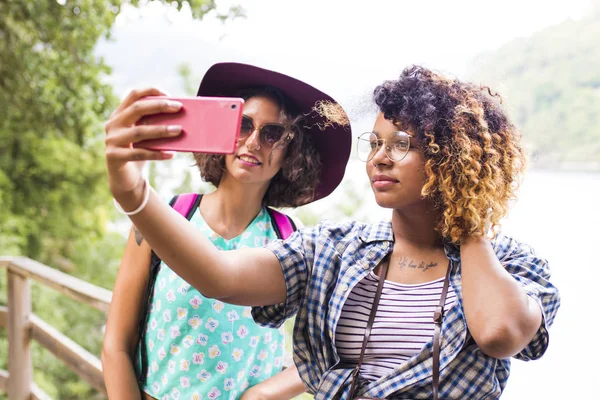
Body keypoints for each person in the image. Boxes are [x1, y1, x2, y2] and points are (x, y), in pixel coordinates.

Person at [105, 65, 560, 399]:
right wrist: (133, 192)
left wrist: (468, 218)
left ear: (452, 161)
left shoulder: (513, 265)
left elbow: (499, 333)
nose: (380, 158)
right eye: (376, 142)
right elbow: (218, 275)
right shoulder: (336, 250)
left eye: (402, 145)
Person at [101, 62, 352, 400]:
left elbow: (334, 346)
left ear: (291, 151)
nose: (253, 141)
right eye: (243, 124)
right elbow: (116, 344)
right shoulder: (169, 217)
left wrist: (263, 394)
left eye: (272, 133)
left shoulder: (291, 240)